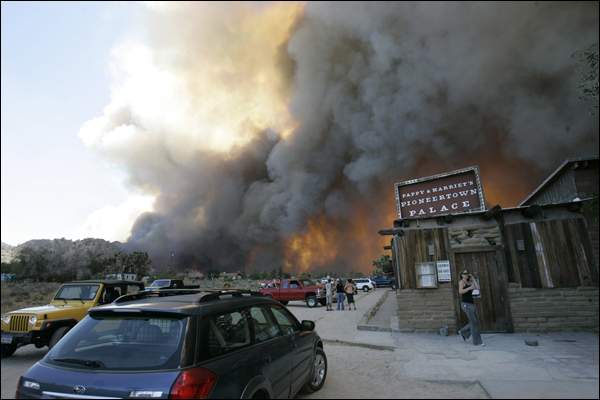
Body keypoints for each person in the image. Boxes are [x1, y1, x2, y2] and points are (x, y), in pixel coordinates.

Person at [457, 269, 484, 346]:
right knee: (474, 322)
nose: (466, 274)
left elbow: (477, 288)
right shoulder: (461, 282)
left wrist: (473, 278)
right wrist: (469, 288)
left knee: (474, 321)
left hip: (471, 304)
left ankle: (463, 332)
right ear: (461, 275)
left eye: (467, 273)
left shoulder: (470, 281)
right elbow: (460, 291)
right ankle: (477, 342)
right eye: (464, 273)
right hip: (465, 304)